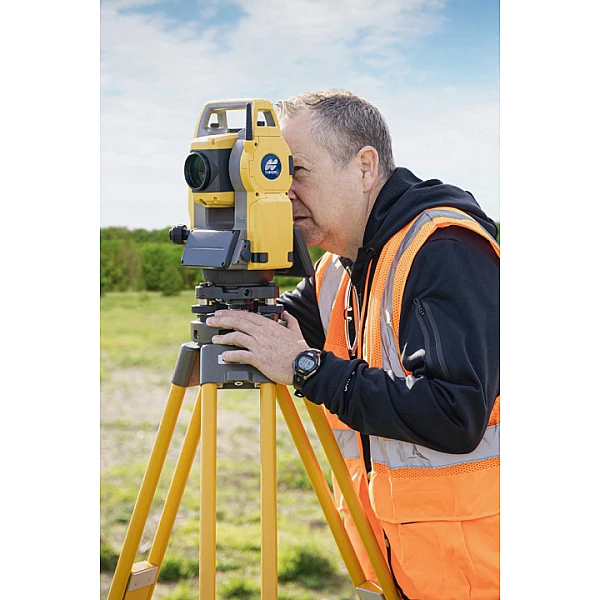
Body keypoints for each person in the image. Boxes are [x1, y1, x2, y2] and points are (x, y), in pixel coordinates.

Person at [206, 89, 500, 600]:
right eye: (270, 175)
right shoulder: (340, 269)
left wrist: (304, 366)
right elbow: (268, 328)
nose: (281, 193)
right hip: (406, 570)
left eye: (296, 171)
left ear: (365, 167)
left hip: (483, 572)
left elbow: (455, 413)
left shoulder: (444, 249)